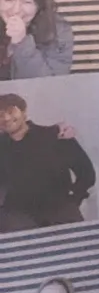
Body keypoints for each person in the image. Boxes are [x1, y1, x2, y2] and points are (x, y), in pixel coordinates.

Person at [0, 89, 90, 229]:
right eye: (0, 115)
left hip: (59, 210)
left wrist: (73, 199)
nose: (5, 118)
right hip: (17, 216)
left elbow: (86, 172)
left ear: (24, 112)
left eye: (11, 111)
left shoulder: (55, 135)